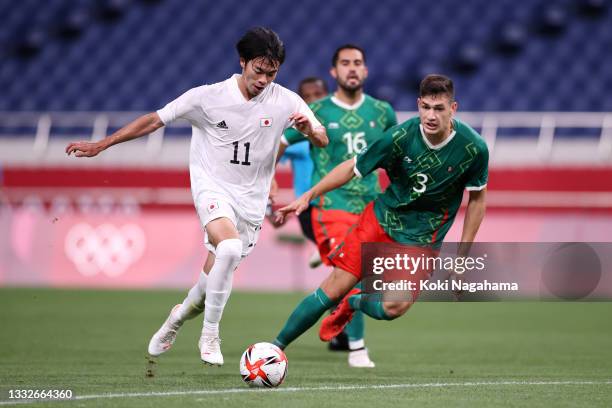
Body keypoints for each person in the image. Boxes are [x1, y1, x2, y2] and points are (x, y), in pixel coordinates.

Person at [65, 27, 328, 366]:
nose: (264, 79)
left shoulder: (286, 100)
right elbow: (153, 120)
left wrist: (310, 131)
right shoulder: (207, 97)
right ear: (243, 62)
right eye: (258, 70)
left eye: (271, 73)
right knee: (229, 248)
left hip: (251, 199)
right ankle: (210, 334)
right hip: (213, 187)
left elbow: (321, 135)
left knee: (210, 284)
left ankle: (176, 319)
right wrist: (102, 144)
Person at [271, 74, 488, 357]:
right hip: (381, 221)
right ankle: (273, 348)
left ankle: (354, 304)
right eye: (426, 107)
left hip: (422, 238)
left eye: (439, 108)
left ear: (453, 109)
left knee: (393, 307)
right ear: (418, 104)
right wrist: (308, 195)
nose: (431, 115)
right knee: (333, 289)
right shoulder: (400, 137)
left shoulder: (473, 148)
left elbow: (477, 201)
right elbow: (352, 167)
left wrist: (462, 257)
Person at [276, 45, 397, 368]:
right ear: (334, 72)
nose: (352, 68)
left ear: (366, 70)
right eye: (345, 63)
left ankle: (333, 323)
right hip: (332, 206)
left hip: (373, 209)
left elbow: (397, 159)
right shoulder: (317, 111)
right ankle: (356, 348)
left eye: (358, 63)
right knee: (351, 273)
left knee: (367, 281)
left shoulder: (383, 112)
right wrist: (269, 183)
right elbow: (280, 142)